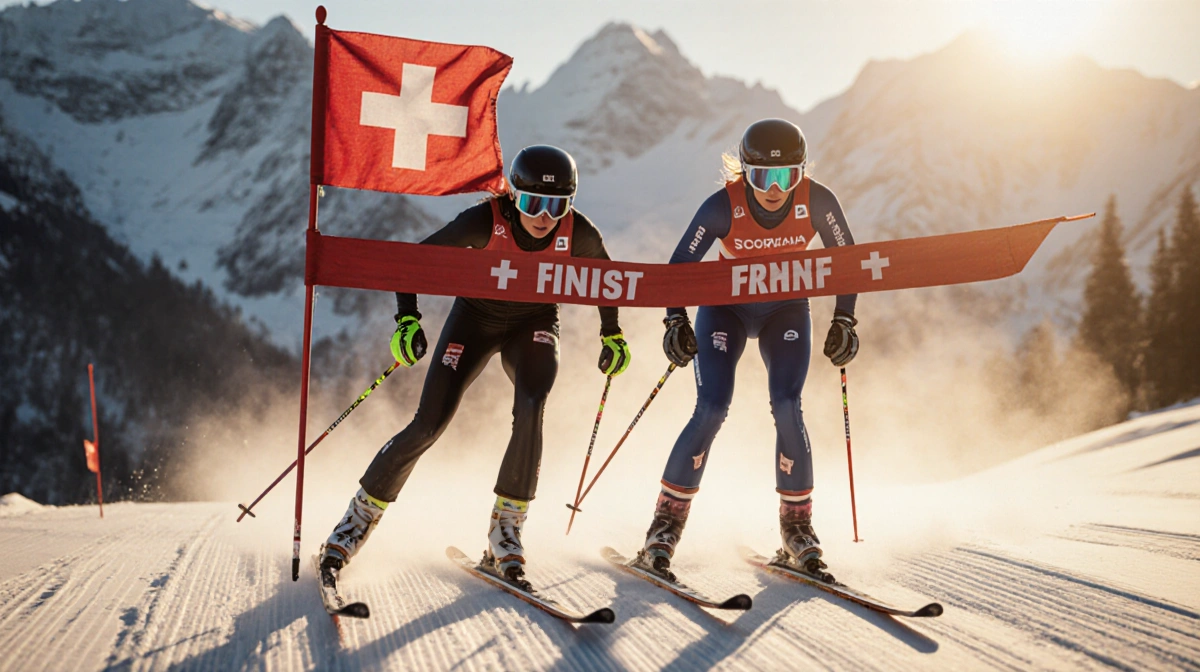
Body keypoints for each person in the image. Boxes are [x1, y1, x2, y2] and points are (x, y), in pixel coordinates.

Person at [321, 145, 632, 590]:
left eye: (556, 205)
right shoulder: (484, 220)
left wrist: (613, 333)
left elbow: (609, 281)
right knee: (429, 423)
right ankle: (354, 524)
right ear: (513, 197)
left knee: (531, 405)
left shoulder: (578, 232)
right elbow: (412, 263)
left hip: (535, 323)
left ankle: (505, 532)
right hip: (474, 320)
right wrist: (406, 320)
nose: (544, 216)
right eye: (531, 202)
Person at [635, 119, 859, 579]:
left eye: (785, 177)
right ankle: (664, 528)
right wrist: (674, 319)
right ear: (742, 173)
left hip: (787, 310)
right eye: (761, 177)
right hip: (726, 309)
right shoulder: (723, 207)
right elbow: (679, 266)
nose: (773, 189)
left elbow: (848, 261)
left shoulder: (818, 200)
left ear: (801, 173)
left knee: (787, 404)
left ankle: (797, 529)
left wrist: (845, 320)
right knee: (713, 406)